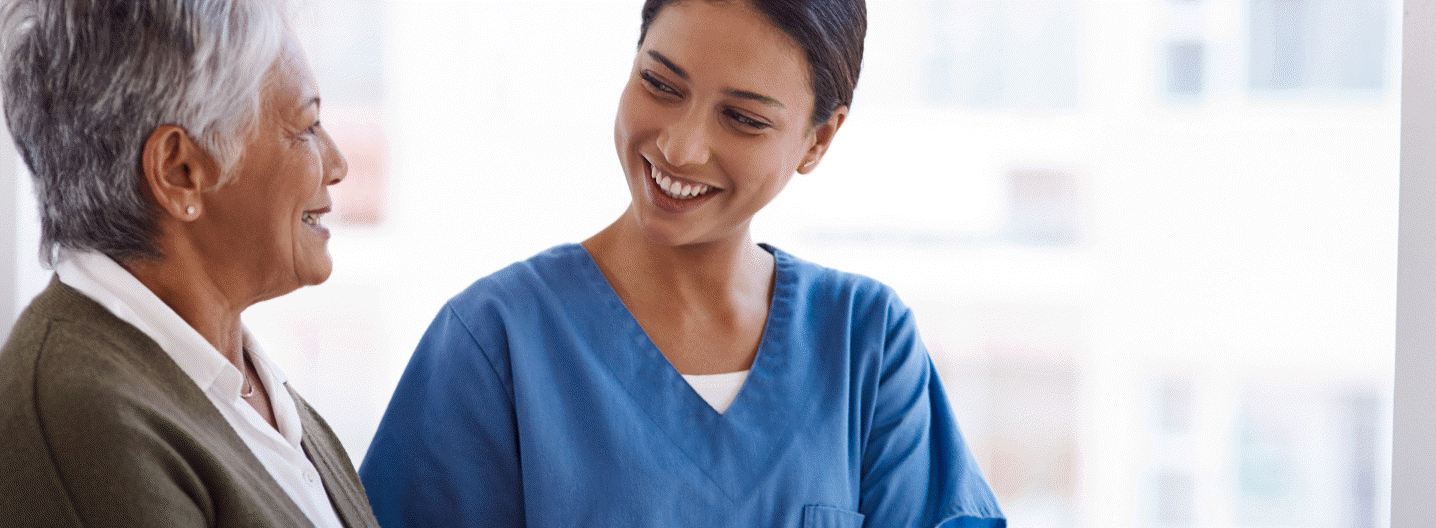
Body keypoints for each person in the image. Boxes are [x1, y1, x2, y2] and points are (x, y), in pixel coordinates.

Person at [357, 0, 1004, 526]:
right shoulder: (495, 341)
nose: (681, 146)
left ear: (819, 138)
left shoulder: (866, 341)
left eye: (743, 119)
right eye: (660, 84)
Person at [0, 0, 377, 526]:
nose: (337, 164)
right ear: (180, 171)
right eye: (306, 127)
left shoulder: (241, 387)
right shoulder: (85, 424)